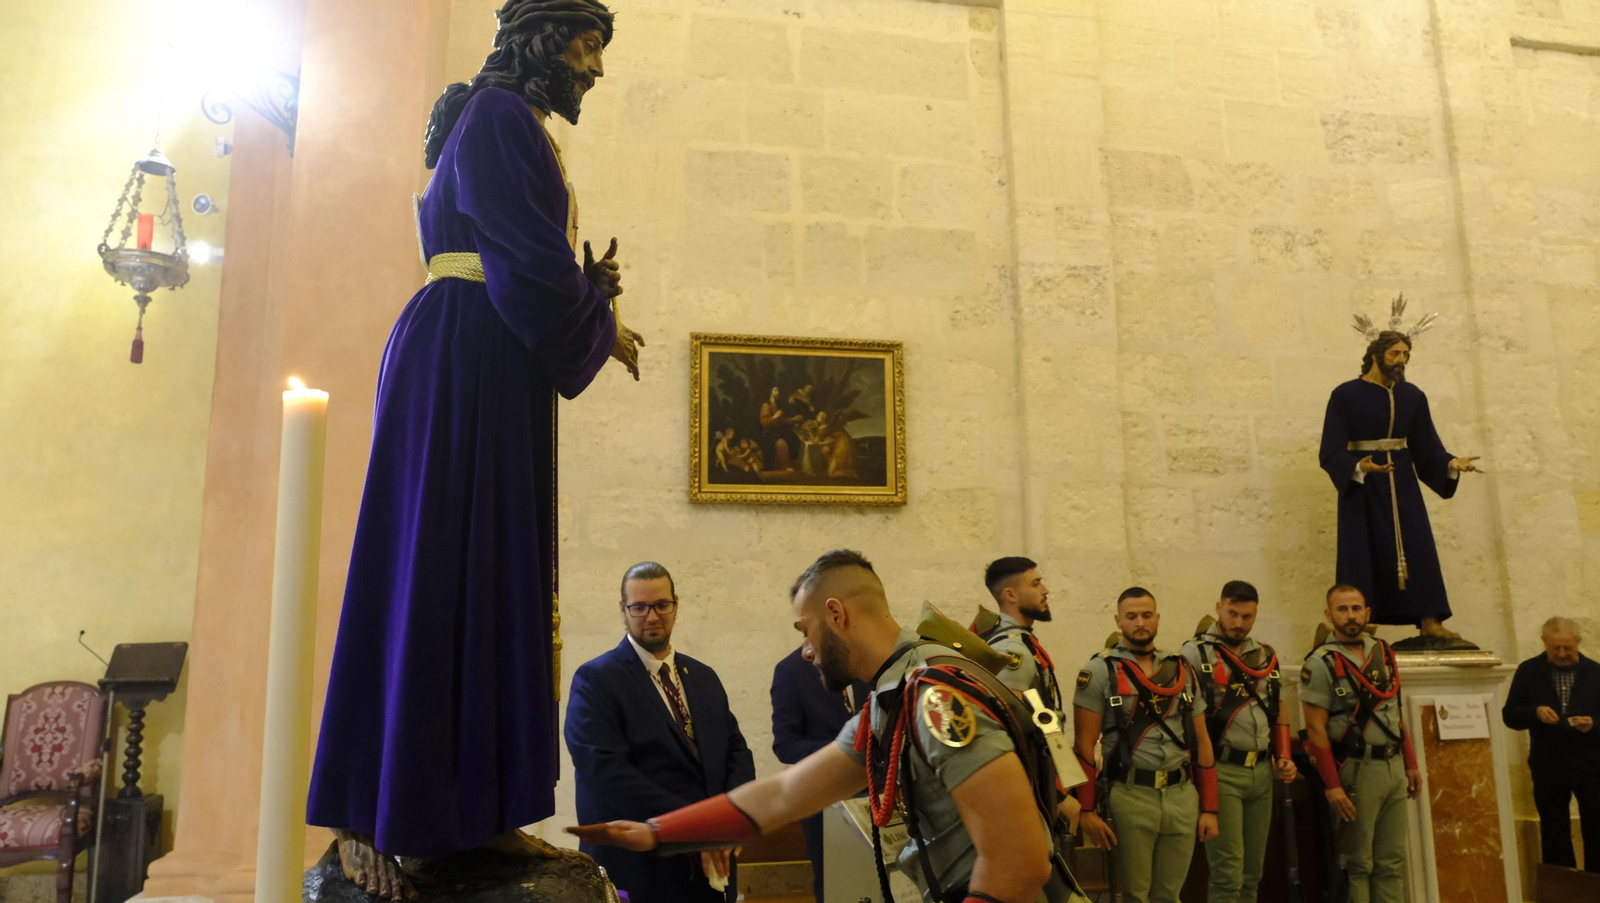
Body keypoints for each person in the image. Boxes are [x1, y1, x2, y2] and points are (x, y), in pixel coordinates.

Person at [306, 2, 643, 896]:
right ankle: (384, 813)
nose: (594, 69)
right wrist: (595, 319)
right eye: (585, 46)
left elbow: (532, 256)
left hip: (488, 359)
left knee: (489, 577)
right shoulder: (497, 118)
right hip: (467, 361)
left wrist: (586, 298)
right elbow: (524, 263)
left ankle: (481, 814)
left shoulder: (504, 121)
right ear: (538, 40)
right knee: (442, 572)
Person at [570, 549, 1089, 903]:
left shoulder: (937, 698)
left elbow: (1020, 864)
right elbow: (785, 795)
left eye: (806, 629)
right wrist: (656, 833)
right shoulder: (892, 698)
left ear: (836, 614)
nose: (805, 649)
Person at [564, 562, 756, 903]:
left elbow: (736, 752)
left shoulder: (703, 676)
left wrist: (732, 818)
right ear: (623, 610)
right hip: (641, 864)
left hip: (713, 861)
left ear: (675, 605)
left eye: (661, 605)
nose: (651, 616)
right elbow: (605, 771)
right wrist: (695, 827)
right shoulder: (597, 679)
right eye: (638, 607)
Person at [1318, 298, 1480, 647]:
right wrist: (1359, 466)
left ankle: (1430, 620)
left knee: (1418, 546)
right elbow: (1330, 450)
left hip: (1401, 480)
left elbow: (1426, 446)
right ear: (1377, 355)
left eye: (1406, 354)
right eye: (1395, 354)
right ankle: (1361, 624)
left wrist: (1450, 464)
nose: (1401, 360)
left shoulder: (1411, 396)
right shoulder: (1346, 395)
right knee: (1362, 550)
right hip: (1364, 487)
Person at [1074, 587, 1220, 903]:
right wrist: (1086, 809)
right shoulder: (1100, 670)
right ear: (1118, 620)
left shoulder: (1181, 668)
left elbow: (1202, 740)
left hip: (1181, 796)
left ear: (1157, 618)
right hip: (1130, 796)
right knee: (1134, 896)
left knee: (1171, 895)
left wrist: (1209, 807)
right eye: (1131, 616)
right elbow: (1084, 745)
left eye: (1146, 615)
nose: (1140, 622)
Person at [1178, 581, 1297, 903]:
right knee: (1228, 871)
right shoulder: (1196, 652)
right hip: (1222, 770)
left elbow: (1278, 708)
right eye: (1232, 613)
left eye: (1247, 616)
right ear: (1218, 608)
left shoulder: (1264, 655)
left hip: (1261, 771)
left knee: (1252, 873)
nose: (1238, 623)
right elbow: (1188, 718)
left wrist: (1284, 754)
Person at [1300, 585, 1420, 903]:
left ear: (1367, 613)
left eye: (1356, 608)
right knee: (1358, 864)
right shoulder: (1320, 662)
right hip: (1357, 769)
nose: (1350, 616)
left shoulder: (1382, 652)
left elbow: (1394, 712)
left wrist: (1410, 762)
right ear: (1329, 615)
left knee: (1391, 861)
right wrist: (1332, 785)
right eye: (1342, 609)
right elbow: (1315, 728)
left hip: (1393, 767)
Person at [769, 644, 870, 902]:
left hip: (878, 796)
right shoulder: (790, 670)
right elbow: (785, 745)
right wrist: (848, 749)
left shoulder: (865, 659)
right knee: (836, 888)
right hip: (825, 805)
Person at [1502, 616, 1600, 872]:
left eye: (1568, 647)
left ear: (1578, 643)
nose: (1562, 653)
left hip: (1592, 766)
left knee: (1597, 831)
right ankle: (1562, 894)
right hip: (1548, 766)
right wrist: (1535, 712)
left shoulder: (1596, 673)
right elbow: (1510, 714)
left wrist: (1594, 724)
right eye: (1555, 647)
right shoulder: (1529, 671)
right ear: (1544, 643)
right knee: (1554, 832)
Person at [973, 557, 1063, 712]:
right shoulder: (1011, 649)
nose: (1045, 590)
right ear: (1011, 596)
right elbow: (1011, 719)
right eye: (1036, 584)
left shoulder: (1019, 640)